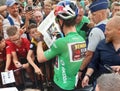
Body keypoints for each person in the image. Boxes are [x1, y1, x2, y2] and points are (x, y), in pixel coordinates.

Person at [37, 0, 86, 91]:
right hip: (71, 84)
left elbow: (40, 58)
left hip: (60, 85)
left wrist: (39, 41)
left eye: (57, 20)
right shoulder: (82, 40)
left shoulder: (61, 43)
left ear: (61, 20)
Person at [81, 15, 120, 88]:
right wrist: (87, 75)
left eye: (108, 30)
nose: (105, 33)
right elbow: (93, 63)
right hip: (101, 85)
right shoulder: (102, 44)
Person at [78, 0, 109, 79]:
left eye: (94, 14)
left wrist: (80, 70)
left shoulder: (96, 30)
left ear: (102, 13)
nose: (91, 16)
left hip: (94, 69)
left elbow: (89, 55)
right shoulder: (110, 25)